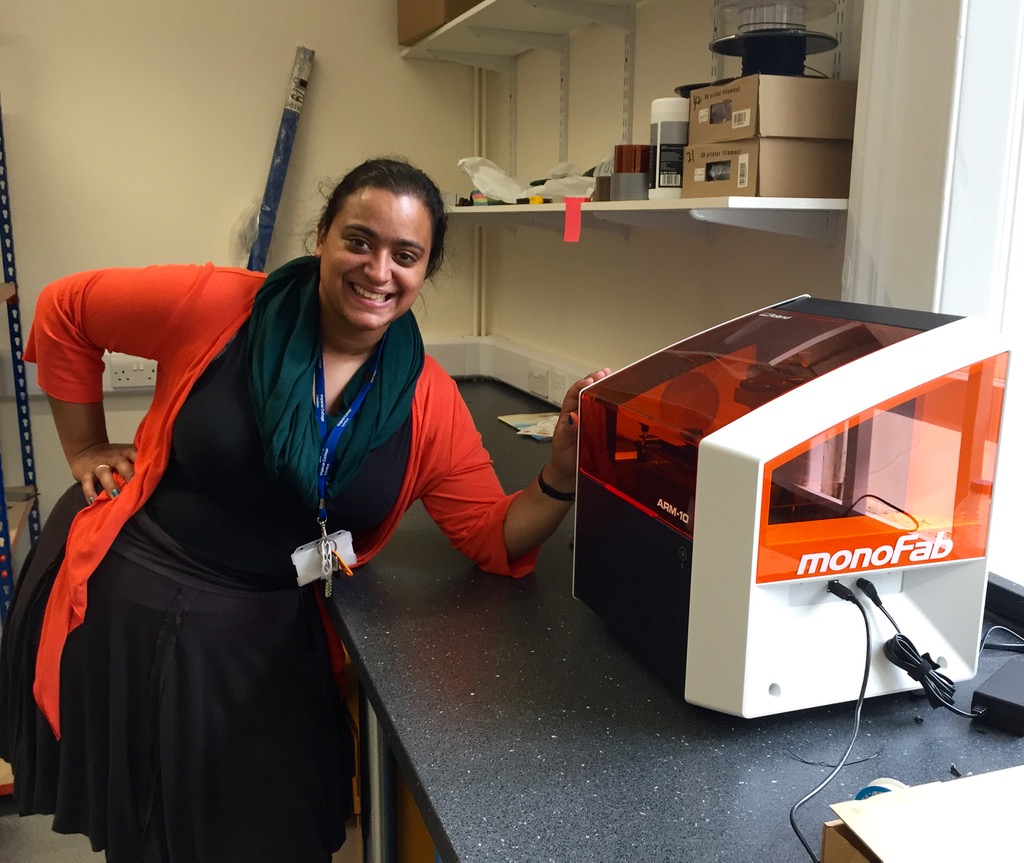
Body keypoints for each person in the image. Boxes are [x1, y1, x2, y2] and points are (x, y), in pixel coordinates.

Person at [0, 156, 610, 862]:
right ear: (322, 238)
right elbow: (65, 309)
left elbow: (492, 533)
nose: (378, 270)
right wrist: (85, 448)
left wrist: (560, 472)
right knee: (151, 832)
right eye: (359, 241)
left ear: (425, 269)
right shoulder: (219, 306)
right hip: (135, 596)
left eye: (405, 254)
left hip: (267, 622)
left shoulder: (426, 399)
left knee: (274, 830)